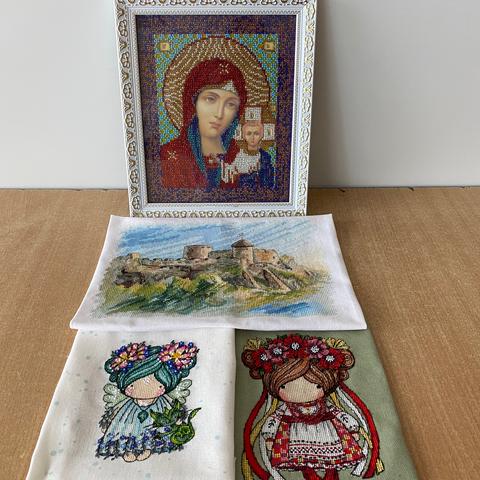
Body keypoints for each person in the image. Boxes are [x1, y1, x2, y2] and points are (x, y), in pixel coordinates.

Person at [241, 334, 384, 480]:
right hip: (295, 439)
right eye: (285, 386)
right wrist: (269, 436)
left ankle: (331, 475)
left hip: (328, 435)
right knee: (304, 464)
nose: (302, 391)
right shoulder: (285, 409)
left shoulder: (325, 405)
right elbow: (273, 420)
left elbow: (341, 414)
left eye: (316, 385)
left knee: (332, 460)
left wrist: (352, 428)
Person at [96, 340, 199, 462]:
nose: (133, 389)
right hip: (131, 413)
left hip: (156, 413)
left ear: (163, 386)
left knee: (154, 432)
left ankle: (148, 448)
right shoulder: (127, 405)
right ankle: (128, 449)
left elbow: (172, 412)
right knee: (128, 429)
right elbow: (116, 412)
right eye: (131, 384)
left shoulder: (163, 404)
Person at [159, 58, 247, 190]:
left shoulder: (246, 156)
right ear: (193, 103)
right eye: (210, 99)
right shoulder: (167, 156)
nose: (219, 114)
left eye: (230, 104)